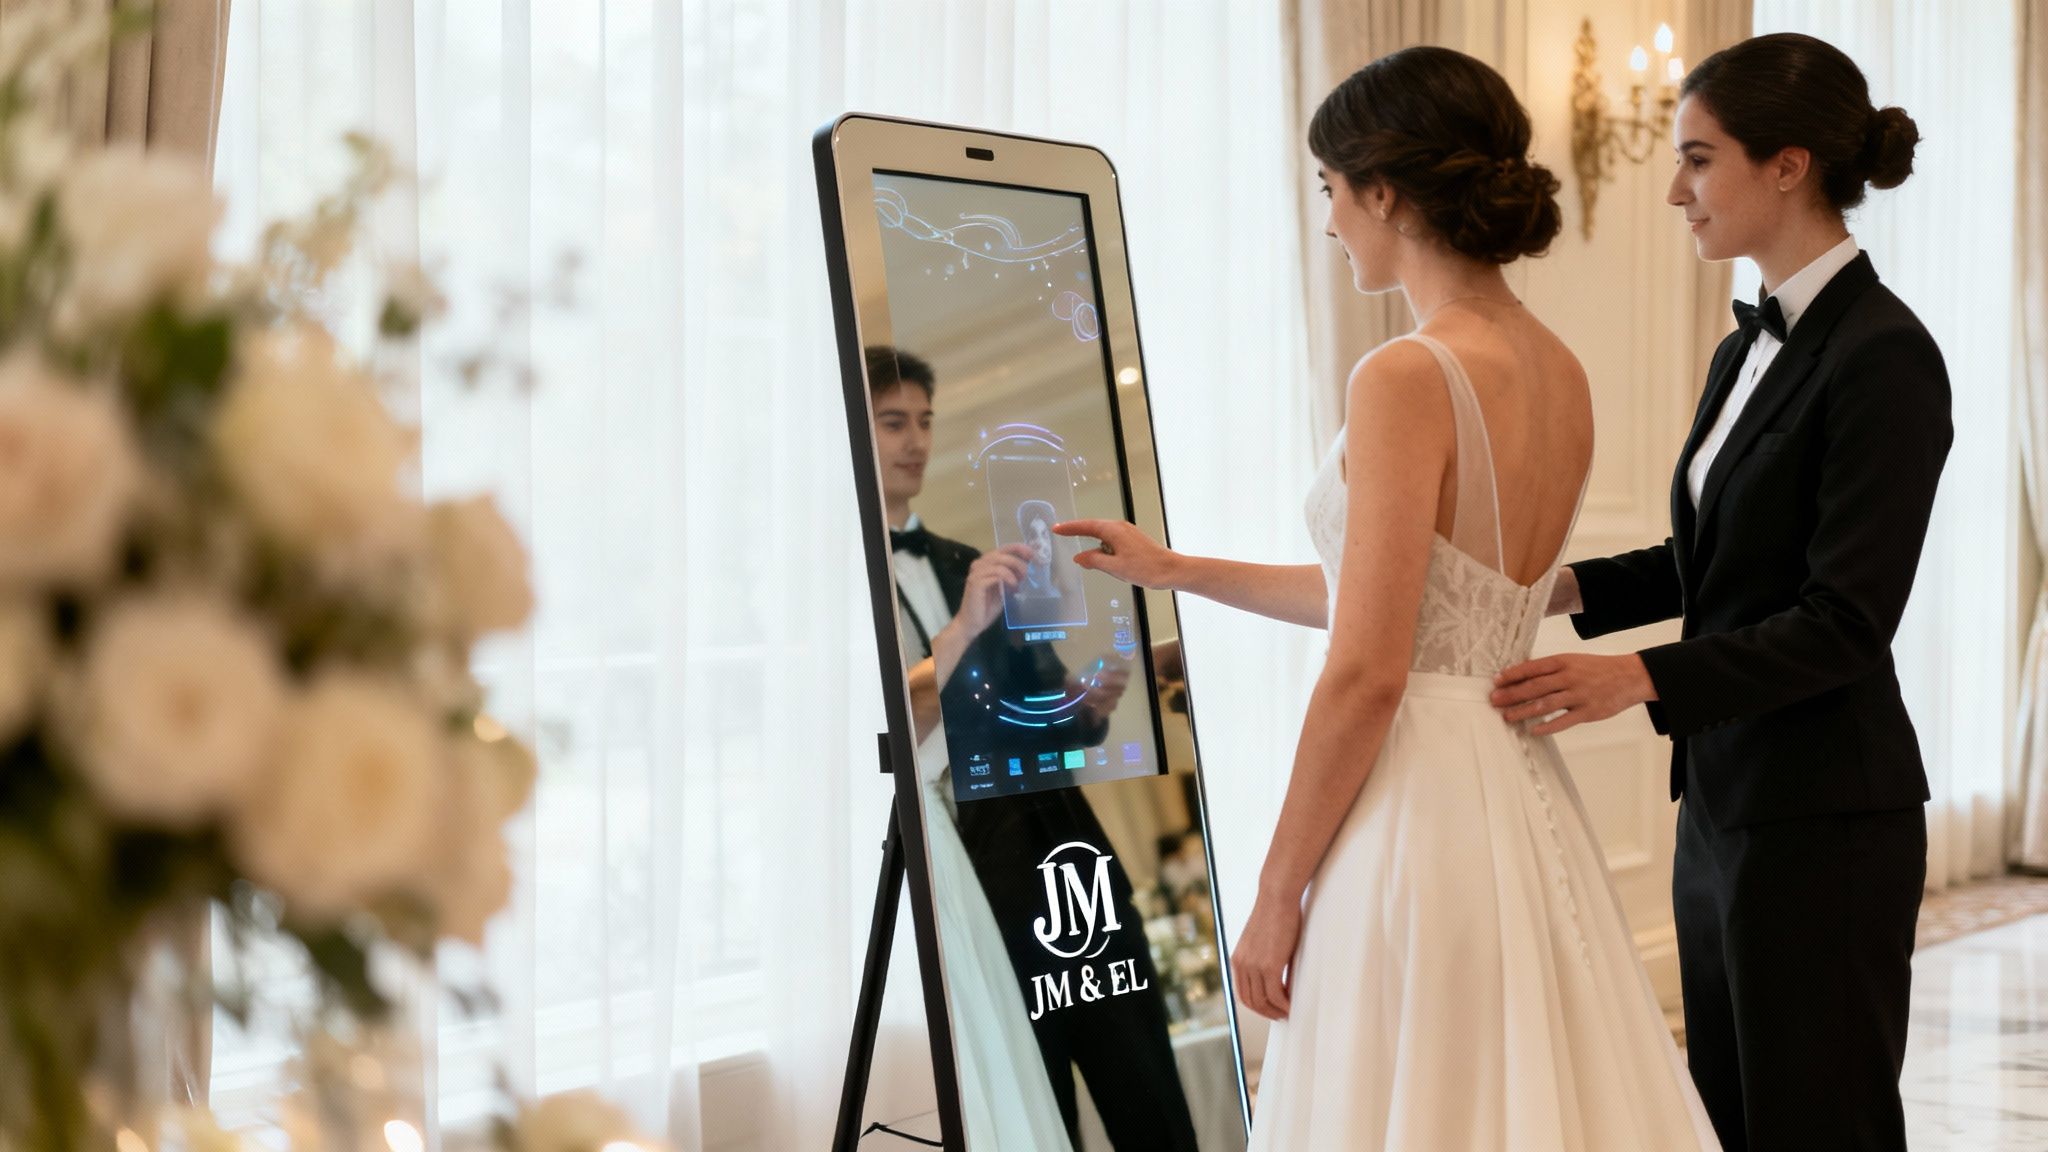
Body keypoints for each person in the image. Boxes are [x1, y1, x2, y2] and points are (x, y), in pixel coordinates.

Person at [1059, 45, 1718, 1150]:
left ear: (1383, 192)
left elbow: (1370, 667)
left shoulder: (1405, 375)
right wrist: (1175, 570)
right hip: (1515, 787)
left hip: (1417, 805)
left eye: (1328, 188)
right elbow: (1420, 602)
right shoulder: (1557, 368)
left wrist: (1276, 891)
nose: (1326, 220)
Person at [1490, 33, 1949, 1152]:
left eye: (1697, 160)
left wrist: (1634, 677)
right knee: (1730, 1117)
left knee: (1821, 1122)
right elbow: (1710, 558)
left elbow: (1844, 620)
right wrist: (1541, 589)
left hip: (1825, 816)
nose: (1674, 191)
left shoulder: (1885, 354)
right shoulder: (1741, 349)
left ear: (1787, 166)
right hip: (1721, 802)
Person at [867, 346, 1075, 1152]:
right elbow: (899, 719)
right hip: (909, 836)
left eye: (924, 421)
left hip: (996, 838)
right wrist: (960, 632)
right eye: (893, 422)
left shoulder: (964, 562)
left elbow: (1038, 703)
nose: (916, 441)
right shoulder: (843, 579)